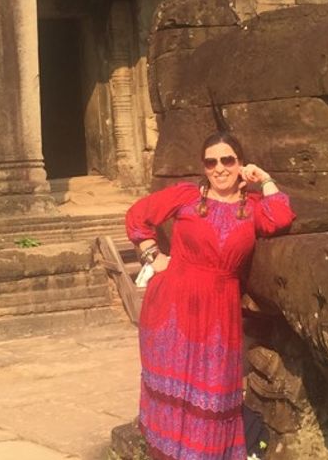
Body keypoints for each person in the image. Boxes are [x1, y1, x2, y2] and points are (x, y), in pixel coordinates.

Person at [125, 131, 295, 460]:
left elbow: (281, 217)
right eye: (211, 162)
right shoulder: (186, 197)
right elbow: (137, 217)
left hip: (219, 311)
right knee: (173, 393)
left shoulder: (253, 207)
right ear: (204, 167)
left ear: (240, 164)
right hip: (171, 306)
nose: (219, 168)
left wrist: (266, 180)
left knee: (212, 395)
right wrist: (153, 257)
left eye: (227, 160)